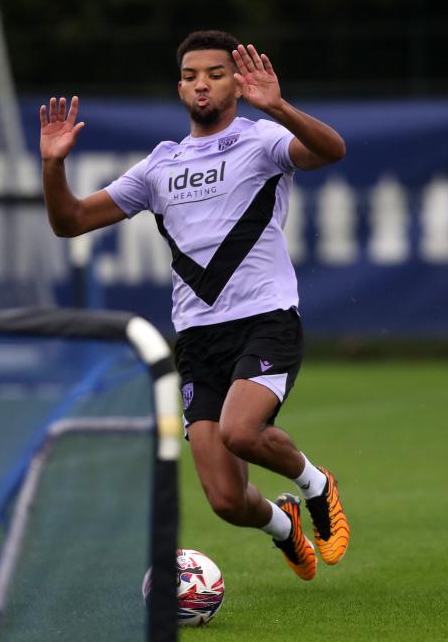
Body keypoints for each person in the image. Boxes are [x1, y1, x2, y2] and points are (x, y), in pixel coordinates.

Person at [39, 30, 349, 580]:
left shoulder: (262, 140)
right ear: (180, 89)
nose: (201, 84)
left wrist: (278, 107)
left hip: (265, 319)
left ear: (237, 84)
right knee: (227, 501)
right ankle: (284, 526)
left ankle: (316, 484)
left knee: (240, 432)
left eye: (215, 74)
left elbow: (331, 151)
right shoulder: (159, 166)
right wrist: (53, 165)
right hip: (198, 339)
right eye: (190, 76)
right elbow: (71, 222)